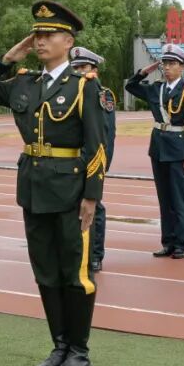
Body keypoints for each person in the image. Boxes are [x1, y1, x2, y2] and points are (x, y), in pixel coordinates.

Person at [0, 1, 107, 366]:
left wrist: (92, 196)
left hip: (70, 191)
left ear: (69, 41)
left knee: (74, 274)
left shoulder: (84, 87)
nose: (40, 41)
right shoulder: (24, 83)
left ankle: (78, 350)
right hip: (33, 189)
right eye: (37, 35)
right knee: (45, 272)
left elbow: (96, 146)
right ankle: (59, 345)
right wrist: (8, 58)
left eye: (49, 35)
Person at [124, 44, 184, 259]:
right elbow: (131, 86)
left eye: (172, 64)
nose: (167, 68)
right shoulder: (156, 88)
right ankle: (168, 241)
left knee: (180, 198)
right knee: (164, 198)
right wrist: (143, 72)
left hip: (178, 149)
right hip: (158, 148)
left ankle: (182, 243)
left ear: (182, 67)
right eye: (165, 64)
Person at [69, 47, 115, 273]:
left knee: (94, 206)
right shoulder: (69, 92)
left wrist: (102, 166)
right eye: (75, 67)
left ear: (94, 69)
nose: (79, 71)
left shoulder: (102, 94)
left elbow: (107, 134)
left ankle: (95, 254)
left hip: (92, 160)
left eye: (83, 67)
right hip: (71, 161)